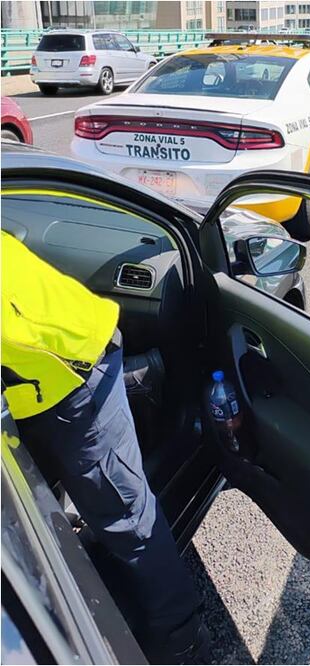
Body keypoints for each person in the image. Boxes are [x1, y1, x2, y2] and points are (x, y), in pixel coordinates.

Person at [1, 233, 208, 663]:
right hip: (42, 376)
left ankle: (183, 641)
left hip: (72, 372)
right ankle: (136, 382)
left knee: (128, 522)